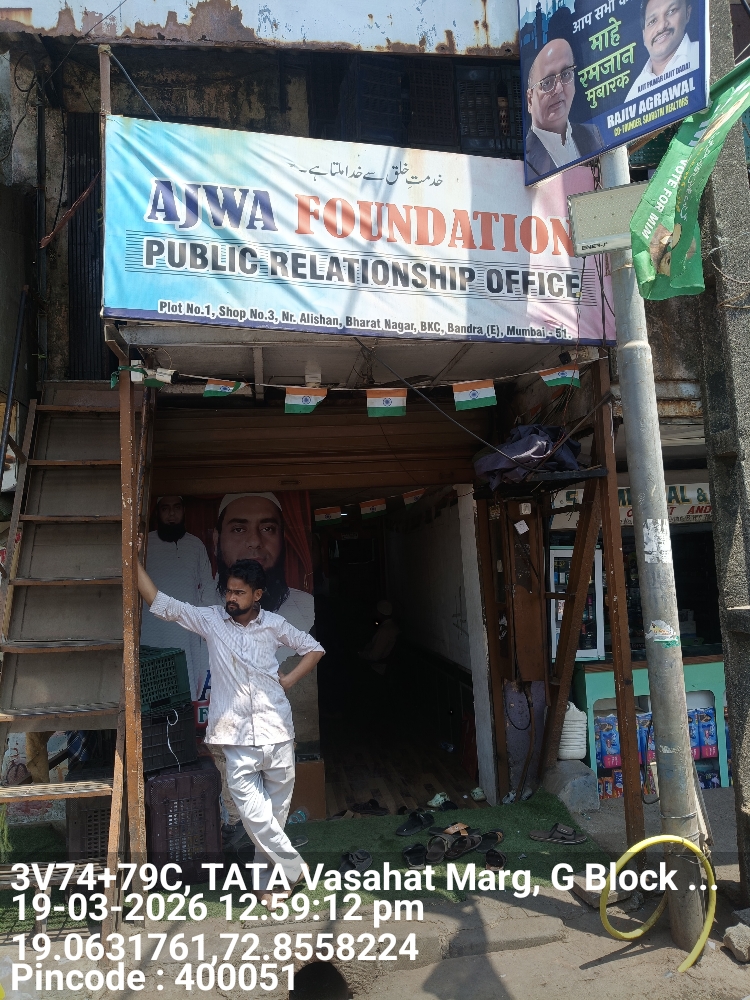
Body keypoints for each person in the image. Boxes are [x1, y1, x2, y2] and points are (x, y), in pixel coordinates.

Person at [137, 553, 325, 903]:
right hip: (235, 736)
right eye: (228, 591)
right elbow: (162, 604)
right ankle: (292, 865)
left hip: (278, 732)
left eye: (239, 593)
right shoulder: (211, 620)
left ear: (257, 594)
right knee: (254, 814)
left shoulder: (274, 624)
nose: (231, 598)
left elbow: (313, 649)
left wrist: (288, 681)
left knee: (273, 817)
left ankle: (269, 882)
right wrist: (132, 564)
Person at [214, 493, 314, 663]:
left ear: (282, 538)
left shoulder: (307, 608)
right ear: (217, 540)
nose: (255, 541)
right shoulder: (199, 609)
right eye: (238, 529)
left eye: (267, 529)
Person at [140, 495, 216, 699]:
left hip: (186, 629)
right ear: (158, 513)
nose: (171, 514)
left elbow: (207, 588)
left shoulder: (195, 545)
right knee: (152, 684)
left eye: (176, 508)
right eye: (165, 509)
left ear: (184, 511)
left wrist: (204, 623)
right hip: (151, 627)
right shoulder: (146, 545)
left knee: (185, 680)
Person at [525, 37, 603, 181]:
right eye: (547, 82)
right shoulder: (524, 158)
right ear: (530, 100)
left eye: (566, 74)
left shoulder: (592, 135)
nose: (559, 88)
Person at [625, 0, 699, 103]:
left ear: (687, 13)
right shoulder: (634, 95)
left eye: (671, 12)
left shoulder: (702, 56)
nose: (661, 26)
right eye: (652, 21)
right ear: (643, 36)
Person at [358, 600, 400, 676]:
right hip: (383, 666)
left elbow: (374, 656)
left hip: (377, 668)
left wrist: (360, 654)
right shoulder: (393, 627)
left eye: (377, 611)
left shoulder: (384, 631)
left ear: (381, 613)